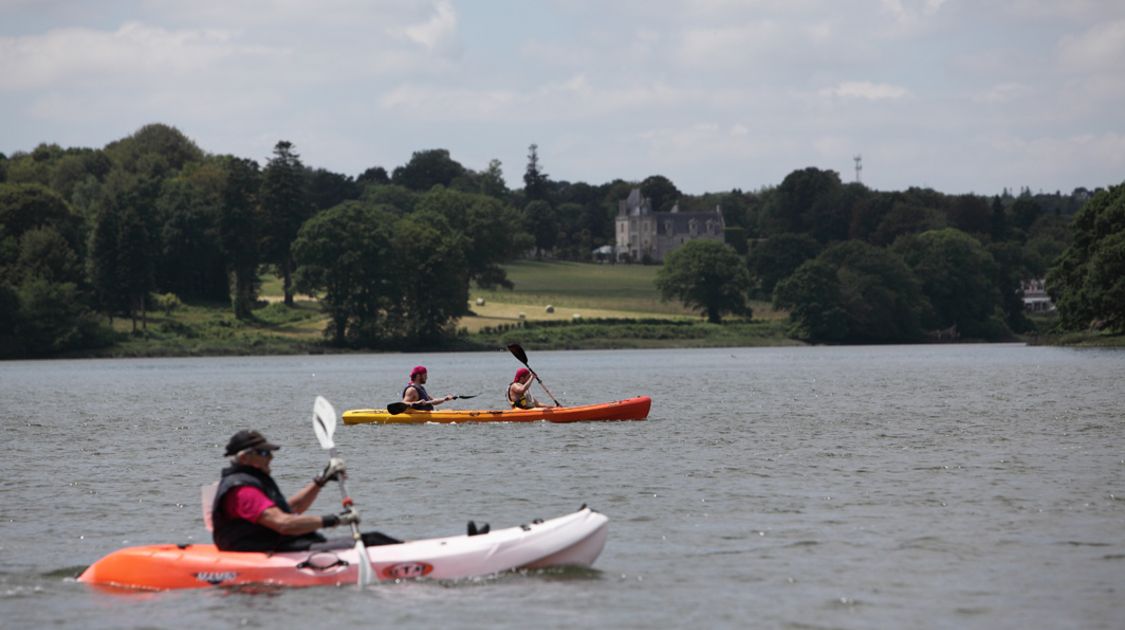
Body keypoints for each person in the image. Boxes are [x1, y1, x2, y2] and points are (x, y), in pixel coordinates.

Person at [211, 429, 398, 552]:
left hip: (279, 545)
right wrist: (336, 520)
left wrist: (321, 480)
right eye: (264, 453)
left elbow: (291, 509)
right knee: (371, 541)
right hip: (270, 551)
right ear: (245, 458)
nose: (271, 457)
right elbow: (284, 523)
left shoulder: (250, 481)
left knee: (375, 538)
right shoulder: (242, 491)